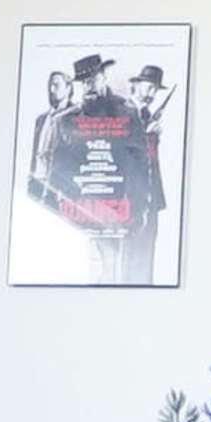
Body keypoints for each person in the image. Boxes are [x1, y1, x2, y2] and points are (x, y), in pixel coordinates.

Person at [31, 53, 167, 285]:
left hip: (117, 208)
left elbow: (137, 164)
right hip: (81, 207)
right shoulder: (68, 119)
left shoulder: (126, 112)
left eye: (92, 79)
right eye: (83, 82)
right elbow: (60, 168)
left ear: (104, 77)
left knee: (117, 271)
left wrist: (137, 206)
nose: (87, 86)